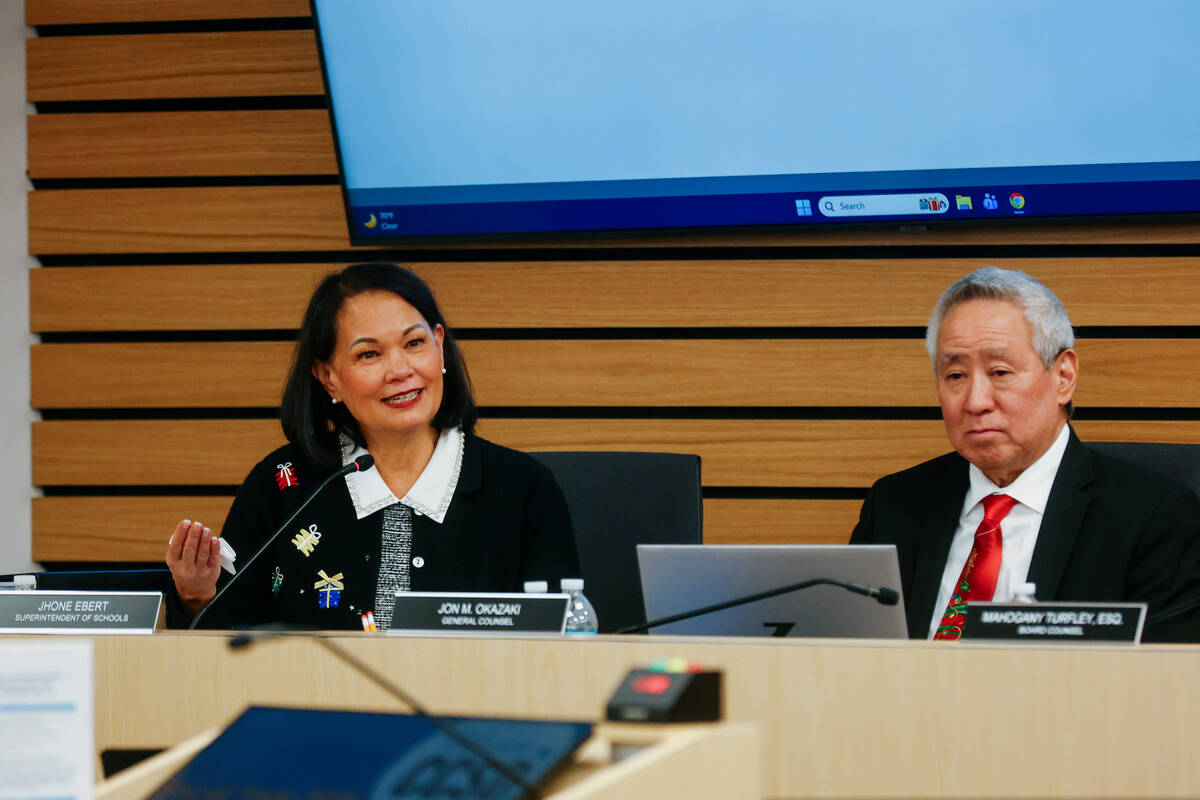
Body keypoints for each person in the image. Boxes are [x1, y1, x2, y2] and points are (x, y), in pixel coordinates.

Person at [165, 262, 580, 629]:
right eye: (369, 354)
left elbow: (561, 643)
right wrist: (196, 593)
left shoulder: (523, 488)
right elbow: (230, 647)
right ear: (328, 377)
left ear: (439, 346)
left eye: (415, 343)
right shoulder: (282, 485)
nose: (400, 370)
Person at [850, 267, 1200, 642]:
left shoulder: (1153, 518)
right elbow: (848, 650)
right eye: (955, 376)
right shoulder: (894, 505)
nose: (976, 401)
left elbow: (1163, 671)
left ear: (1063, 376)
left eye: (1000, 372)